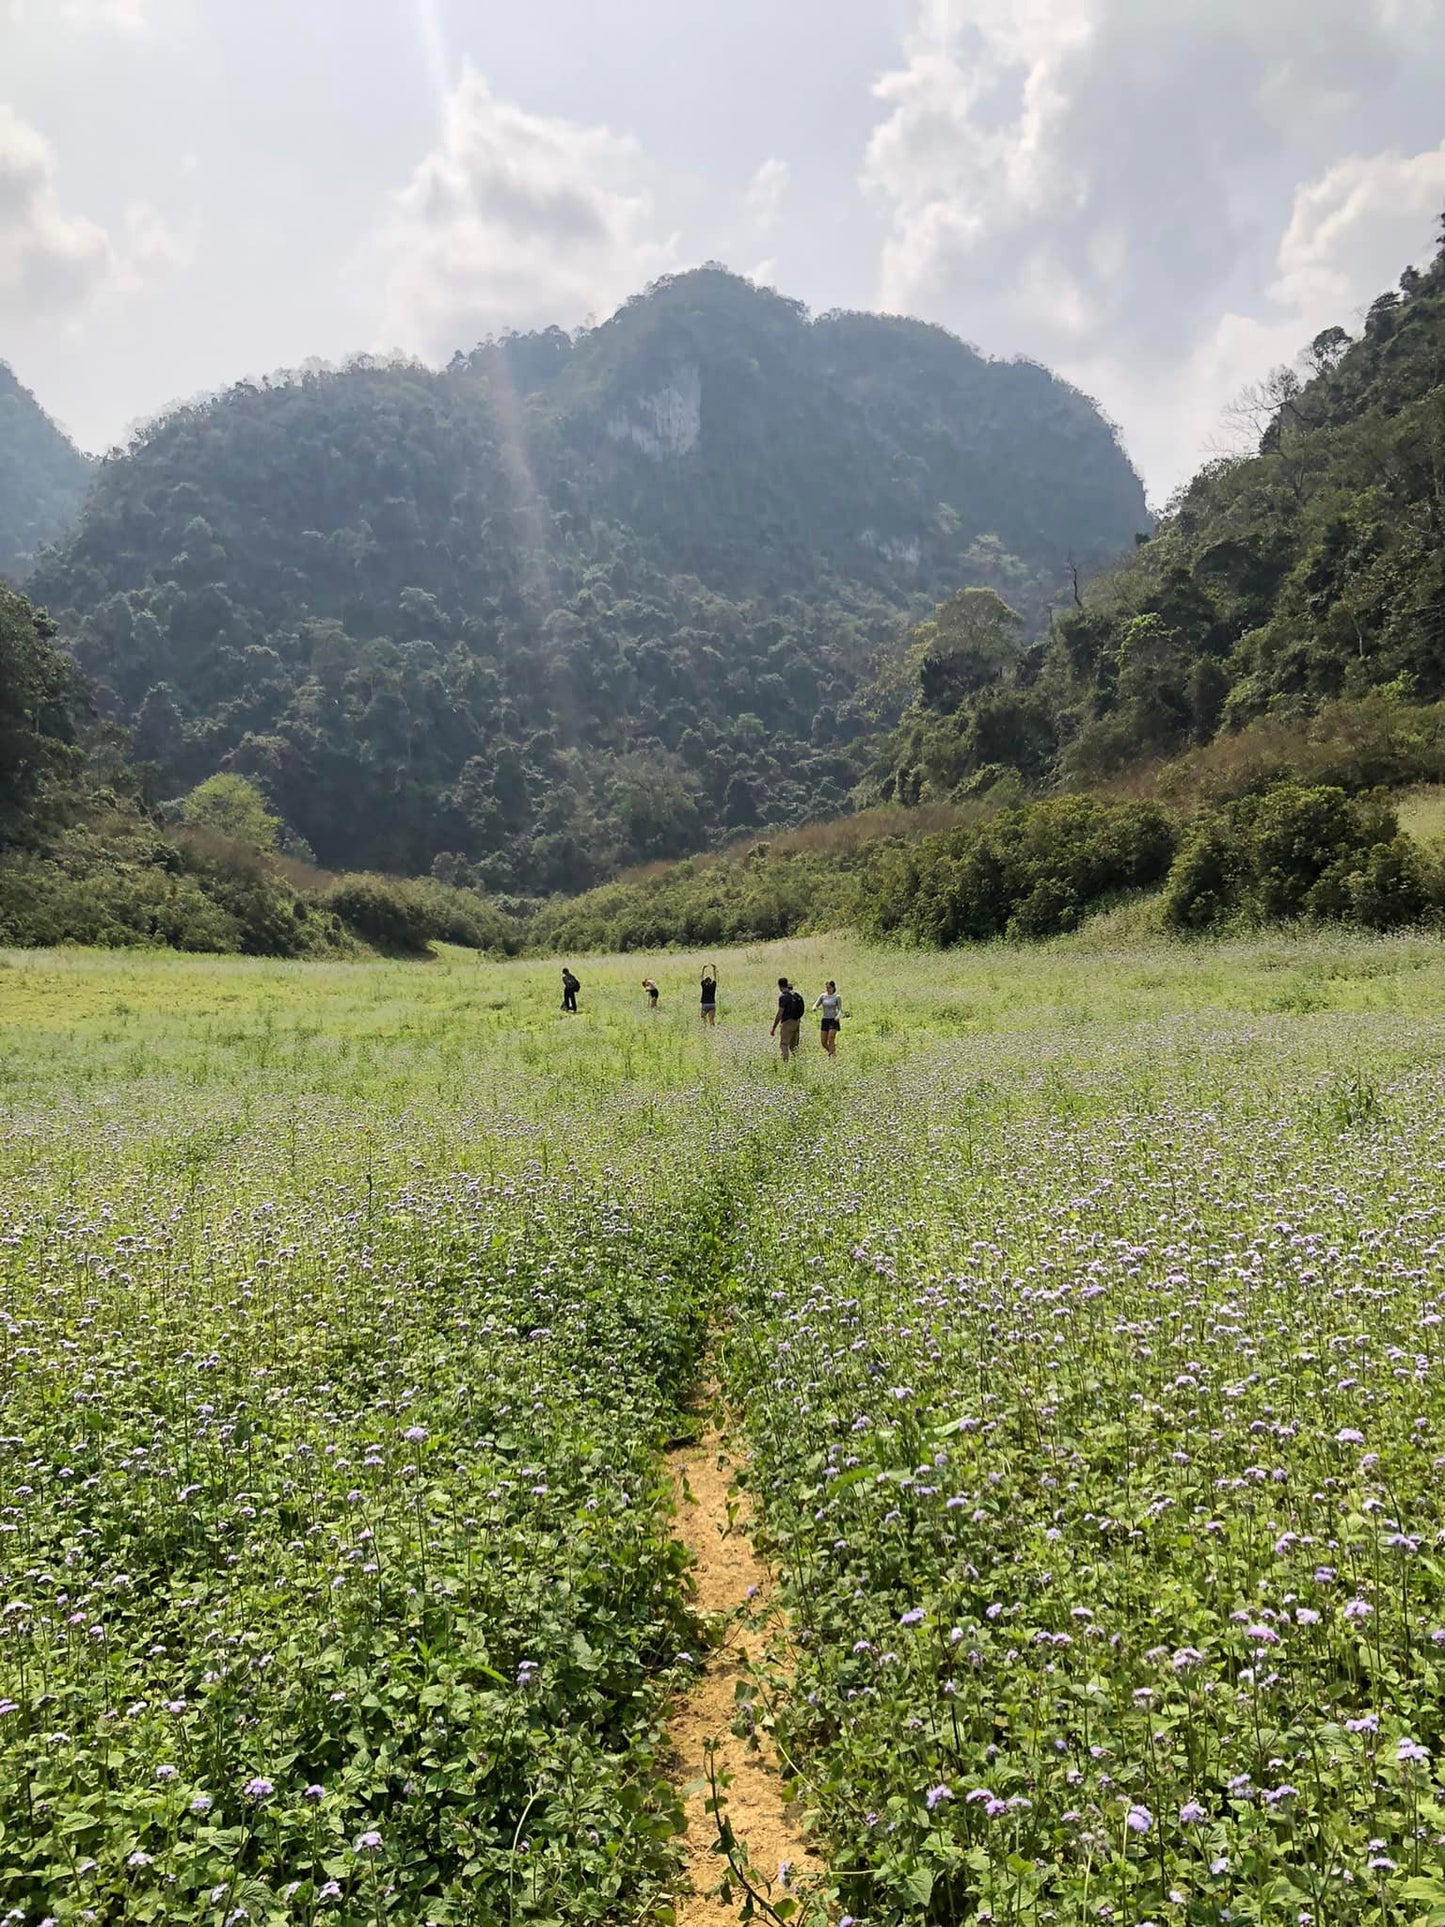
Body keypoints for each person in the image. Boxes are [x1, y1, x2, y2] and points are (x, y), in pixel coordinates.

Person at [770, 976, 805, 1061]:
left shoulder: (784, 997)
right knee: (794, 1046)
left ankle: (785, 1064)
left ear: (779, 986)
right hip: (797, 1021)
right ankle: (797, 1062)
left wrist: (774, 1027)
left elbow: (780, 1013)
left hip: (787, 1023)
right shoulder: (795, 995)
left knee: (784, 1044)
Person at [814, 980, 842, 1055]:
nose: (827, 989)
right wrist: (814, 1008)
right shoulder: (822, 996)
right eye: (827, 987)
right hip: (825, 1019)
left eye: (829, 987)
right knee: (823, 1042)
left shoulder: (837, 997)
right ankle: (832, 1053)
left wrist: (838, 1016)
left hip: (833, 1020)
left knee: (831, 1039)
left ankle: (832, 1056)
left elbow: (840, 1009)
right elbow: (816, 1004)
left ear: (833, 988)